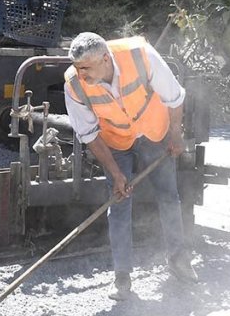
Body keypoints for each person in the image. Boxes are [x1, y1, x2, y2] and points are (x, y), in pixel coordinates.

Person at [63, 32, 198, 301]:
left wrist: (175, 135)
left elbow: (174, 97)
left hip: (154, 132)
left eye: (85, 68)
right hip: (116, 141)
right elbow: (88, 134)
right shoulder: (74, 85)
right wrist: (116, 174)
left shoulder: (140, 55)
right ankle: (122, 277)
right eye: (77, 68)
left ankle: (178, 259)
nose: (81, 74)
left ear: (105, 58)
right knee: (119, 204)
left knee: (169, 196)